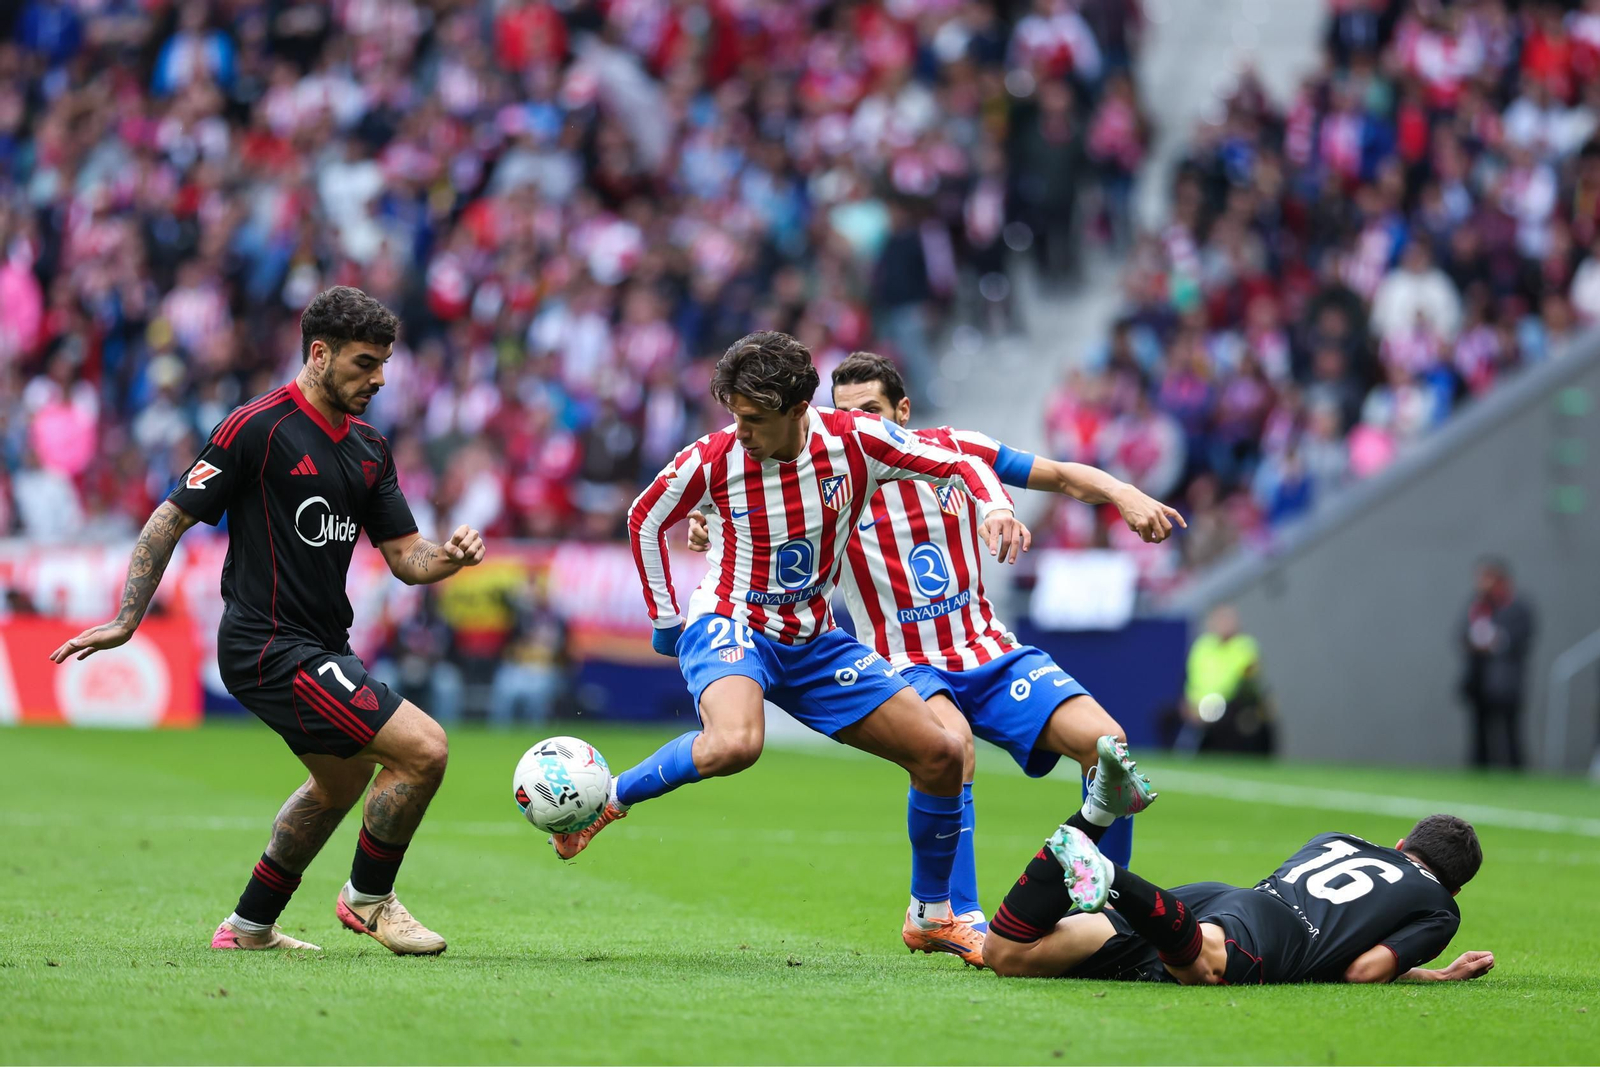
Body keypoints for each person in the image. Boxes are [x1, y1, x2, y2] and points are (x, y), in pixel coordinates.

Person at [684, 351, 1184, 966]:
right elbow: (749, 510)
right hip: (900, 661)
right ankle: (962, 918)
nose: (858, 424)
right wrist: (709, 525)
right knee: (956, 749)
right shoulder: (831, 469)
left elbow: (1056, 474)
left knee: (1109, 746)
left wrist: (1122, 493)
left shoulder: (956, 449)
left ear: (903, 410)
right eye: (843, 414)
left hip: (989, 651)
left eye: (871, 411)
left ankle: (1106, 912)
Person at [559, 330, 1029, 964]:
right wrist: (668, 621)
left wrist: (996, 507)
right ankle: (610, 801)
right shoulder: (715, 457)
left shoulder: (856, 441)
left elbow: (958, 461)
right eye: (734, 416)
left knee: (943, 755)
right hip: (731, 620)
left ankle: (932, 916)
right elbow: (645, 516)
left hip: (812, 638)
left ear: (797, 409)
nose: (741, 431)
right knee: (736, 744)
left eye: (754, 420)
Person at [49, 287, 486, 955]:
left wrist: (449, 558)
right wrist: (125, 617)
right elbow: (171, 516)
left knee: (339, 782)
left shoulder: (369, 447)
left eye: (384, 363)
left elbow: (405, 557)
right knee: (424, 749)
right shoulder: (256, 427)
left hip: (321, 643)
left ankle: (249, 925)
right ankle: (369, 898)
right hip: (267, 645)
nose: (380, 377)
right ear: (319, 353)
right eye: (366, 363)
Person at [985, 750, 1490, 988]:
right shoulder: (1440, 907)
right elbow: (1364, 970)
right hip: (1266, 931)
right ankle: (1113, 878)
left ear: (1402, 844)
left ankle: (1095, 814)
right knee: (1202, 969)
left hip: (1217, 902)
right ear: (1457, 889)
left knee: (1007, 953)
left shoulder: (1338, 838)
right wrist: (1435, 975)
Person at [1459, 558, 1535, 768]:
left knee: (1510, 733)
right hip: (1479, 681)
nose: (1481, 583)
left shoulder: (1517, 607)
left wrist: (1496, 641)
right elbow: (1460, 635)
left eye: (1486, 577)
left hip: (1506, 682)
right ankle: (1479, 773)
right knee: (1480, 734)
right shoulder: (1476, 606)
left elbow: (1521, 638)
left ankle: (1516, 774)